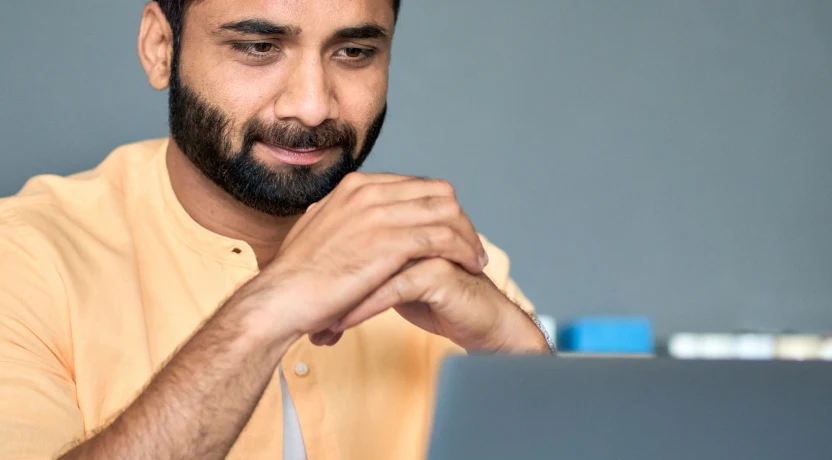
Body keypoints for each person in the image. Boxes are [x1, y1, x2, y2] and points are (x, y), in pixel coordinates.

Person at [0, 0, 552, 459]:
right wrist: (271, 305)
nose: (312, 107)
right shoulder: (23, 258)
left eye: (354, 52)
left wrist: (519, 354)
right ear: (160, 48)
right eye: (258, 47)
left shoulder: (442, 262)